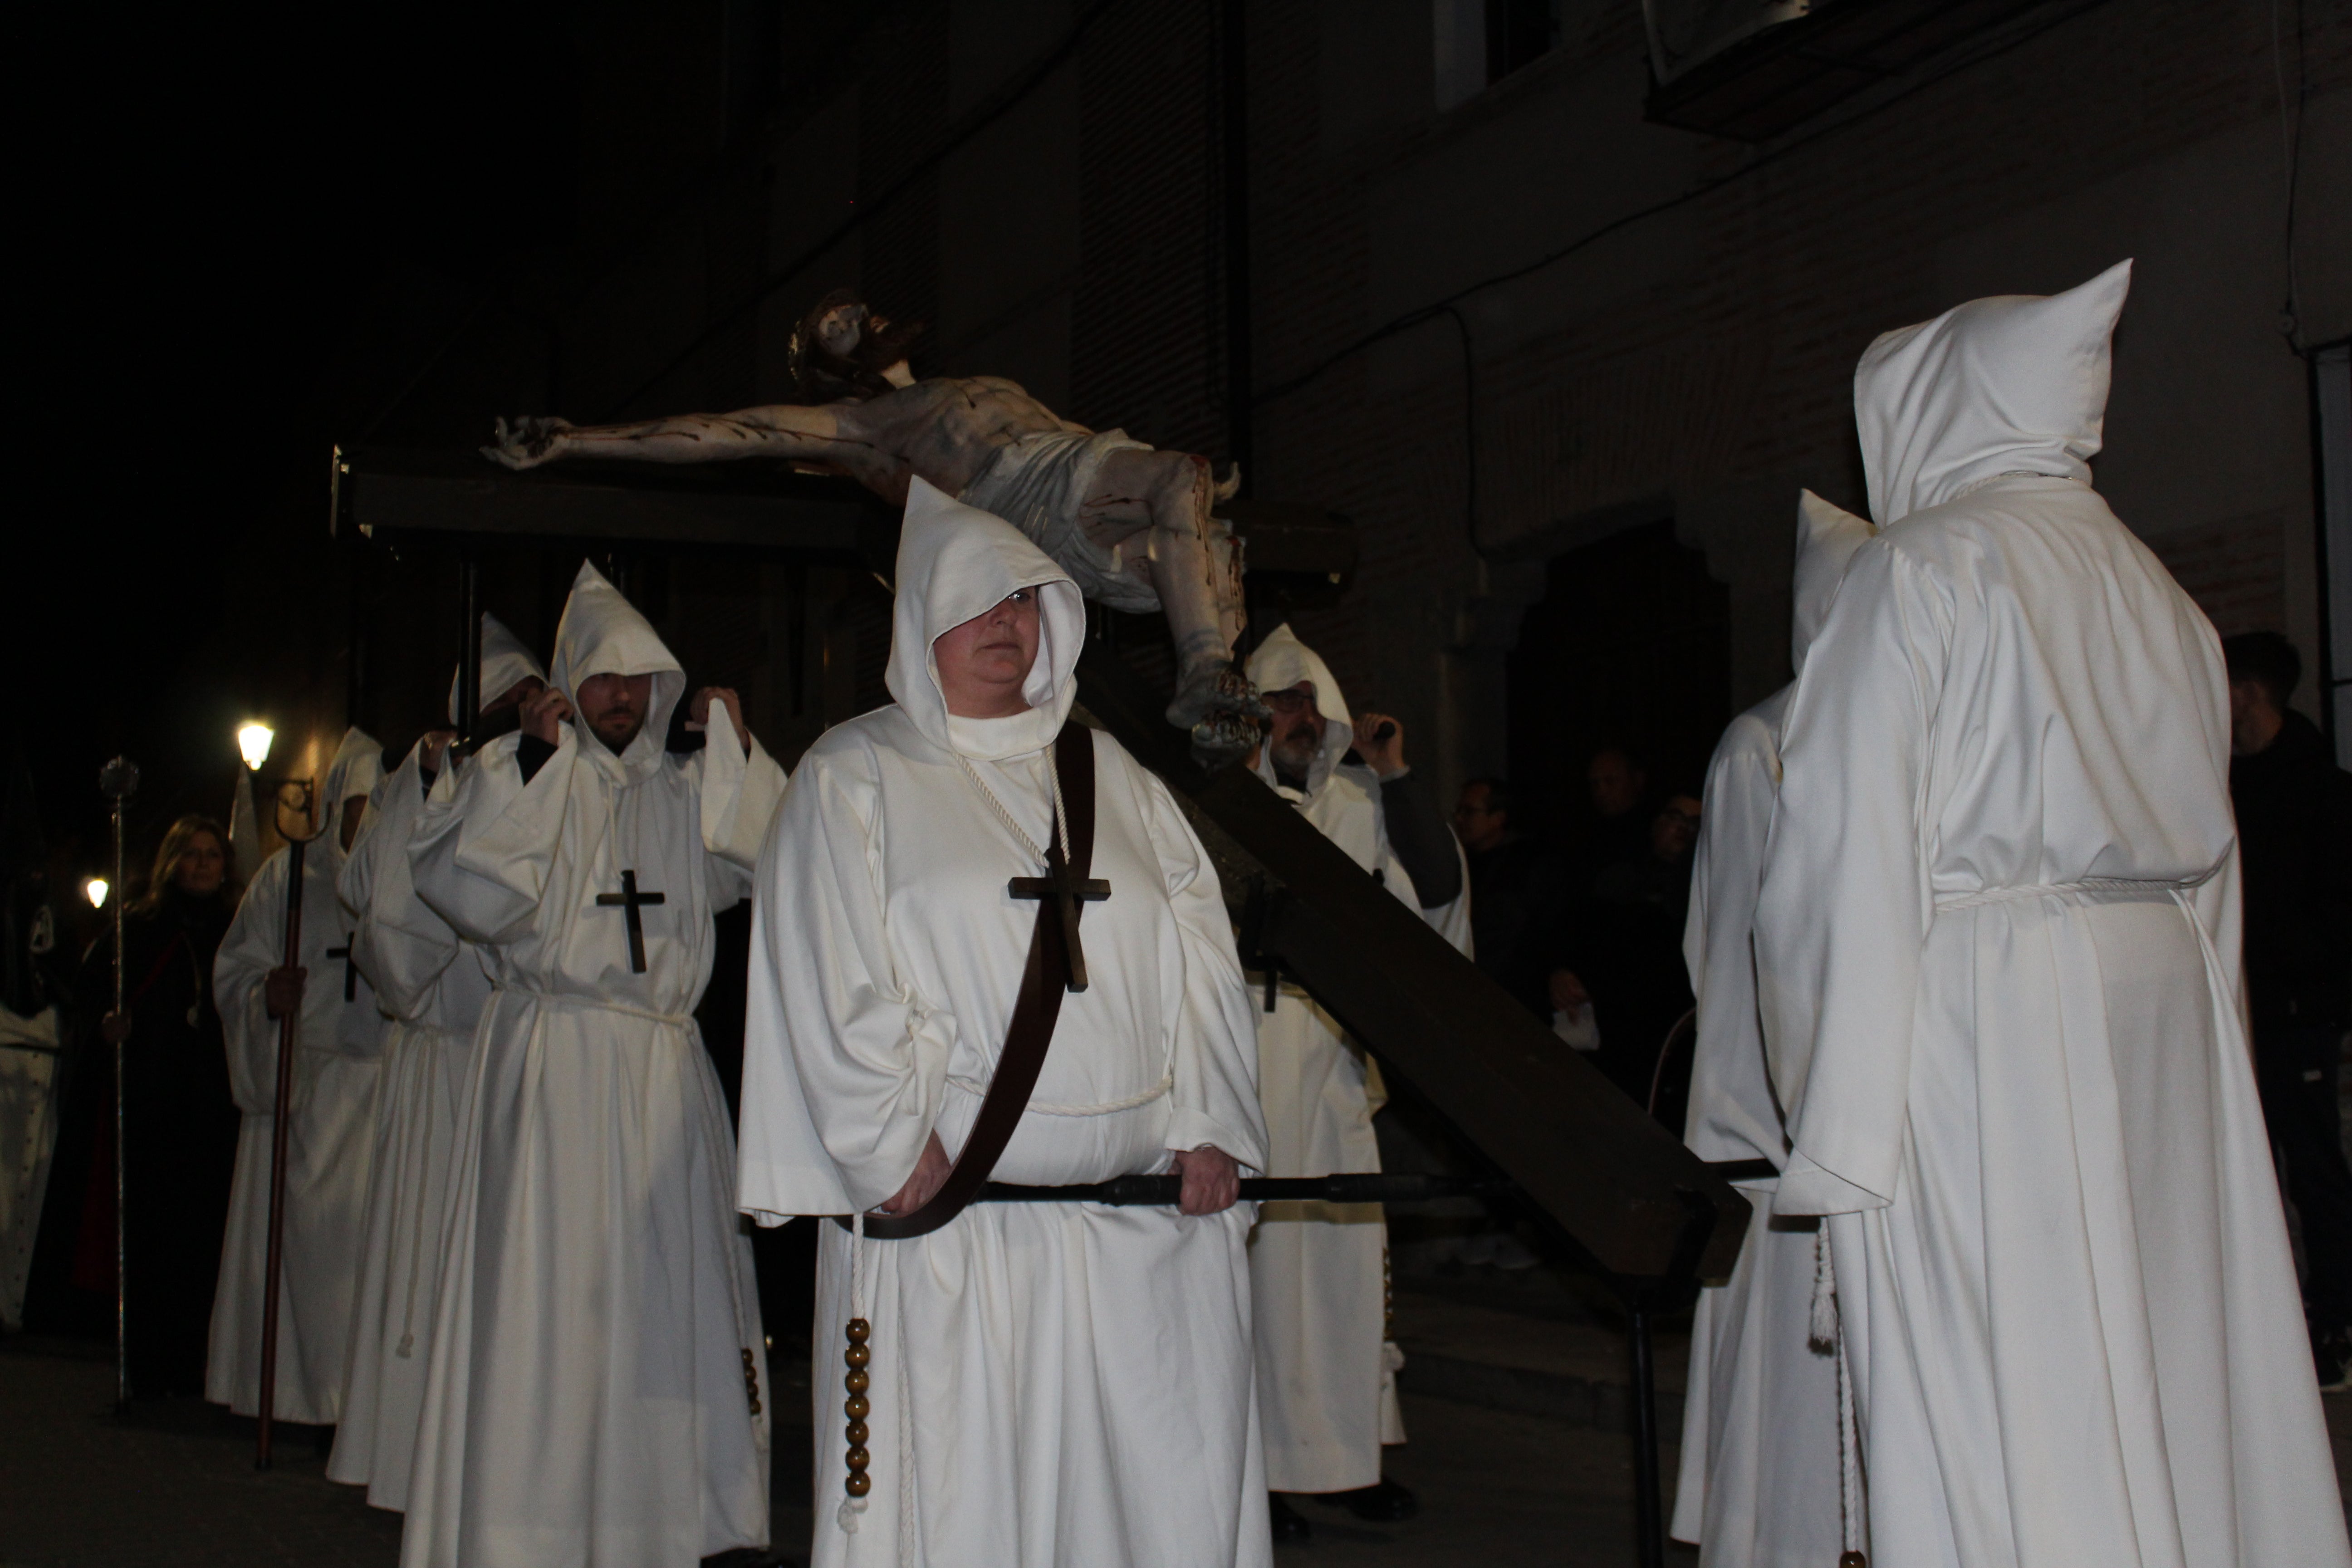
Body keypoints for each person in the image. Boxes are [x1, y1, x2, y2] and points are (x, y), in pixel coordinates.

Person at [1753, 262, 2350, 1565]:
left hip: (1986, 1013)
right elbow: (2217, 873)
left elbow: (1842, 855)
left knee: (2002, 1366)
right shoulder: (2162, 594)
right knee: (2158, 1343)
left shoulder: (1918, 572)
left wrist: (1833, 1113)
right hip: (2162, 1015)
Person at [738, 478, 1270, 1568]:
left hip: (1134, 1233)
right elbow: (826, 970)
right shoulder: (855, 777)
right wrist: (891, 1145)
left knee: (1139, 1507)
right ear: (918, 619)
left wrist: (1208, 1117)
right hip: (957, 1225)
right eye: (980, 603)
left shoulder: (1112, 774)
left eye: (1025, 601)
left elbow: (1200, 962)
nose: (1006, 624)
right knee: (964, 1508)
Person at [402, 562, 786, 1568]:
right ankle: (527, 1521)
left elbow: (781, 858)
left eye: (638, 679)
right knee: (551, 1303)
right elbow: (462, 890)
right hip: (554, 1071)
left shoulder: (684, 790)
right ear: (571, 680)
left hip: (664, 1074)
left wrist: (734, 750)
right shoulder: (515, 777)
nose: (620, 697)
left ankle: (669, 1516)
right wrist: (535, 763)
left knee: (669, 1297)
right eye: (602, 678)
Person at [484, 289, 1257, 752]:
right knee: (1176, 478)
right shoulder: (864, 429)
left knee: (1198, 544)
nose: (853, 312)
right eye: (835, 323)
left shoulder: (972, 383)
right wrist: (578, 439)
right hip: (1024, 499)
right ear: (829, 368)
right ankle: (1200, 671)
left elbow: (1072, 435)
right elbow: (727, 431)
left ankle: (1212, 703)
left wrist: (1189, 492)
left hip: (1077, 471)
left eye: (852, 309)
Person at [1669, 490, 1874, 1563]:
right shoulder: (1762, 749)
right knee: (1791, 1432)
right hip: (1779, 1130)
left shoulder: (1894, 741)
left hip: (1864, 1126)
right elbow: (1743, 952)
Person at [1241, 624, 1469, 1543]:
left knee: (1339, 1274)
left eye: (1307, 702)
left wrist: (1397, 775)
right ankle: (1254, 1474)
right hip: (1246, 1058)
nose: (1295, 718)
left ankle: (1344, 1463)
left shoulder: (1355, 802)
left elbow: (1440, 893)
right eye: (1278, 703)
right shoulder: (1225, 808)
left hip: (1330, 1060)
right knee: (1254, 1279)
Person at [328, 616, 547, 1511]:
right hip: (438, 1062)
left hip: (508, 1057)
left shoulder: (534, 785)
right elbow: (377, 911)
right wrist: (422, 792)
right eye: (502, 708)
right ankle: (418, 1453)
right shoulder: (422, 790)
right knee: (428, 1265)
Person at [209, 727, 386, 1424]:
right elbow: (236, 972)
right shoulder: (285, 878)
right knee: (304, 1271)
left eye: (377, 806)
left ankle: (360, 1409)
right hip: (306, 1092)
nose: (362, 822)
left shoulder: (395, 869)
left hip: (376, 1093)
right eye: (354, 805)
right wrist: (264, 1000)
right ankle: (292, 1397)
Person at [2221, 629, 2352, 1390]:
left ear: (2245, 692)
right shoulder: (2224, 788)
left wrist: (2314, 995)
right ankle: (2274, 1328)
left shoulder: (2322, 791)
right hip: (2238, 1012)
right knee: (2249, 1175)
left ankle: (2335, 1324)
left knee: (2313, 1172)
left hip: (2296, 1013)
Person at [75, 815, 242, 1396]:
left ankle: (200, 1361)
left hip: (215, 1103)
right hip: (155, 1102)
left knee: (207, 1235)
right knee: (154, 1233)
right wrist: (109, 1025)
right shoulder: (140, 928)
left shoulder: (236, 928)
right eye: (191, 855)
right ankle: (147, 1365)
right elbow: (94, 995)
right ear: (171, 861)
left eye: (212, 855)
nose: (201, 865)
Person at [1573, 788, 1703, 1122]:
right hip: (1613, 1021)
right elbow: (1581, 933)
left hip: (1672, 1027)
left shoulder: (1704, 889)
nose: (1683, 829)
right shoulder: (1619, 876)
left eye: (1696, 823)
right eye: (1676, 818)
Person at [1451, 777, 1553, 1019]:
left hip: (1515, 997)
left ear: (1498, 818)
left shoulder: (1528, 864)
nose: (1460, 819)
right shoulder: (1461, 862)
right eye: (1459, 811)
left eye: (1470, 812)